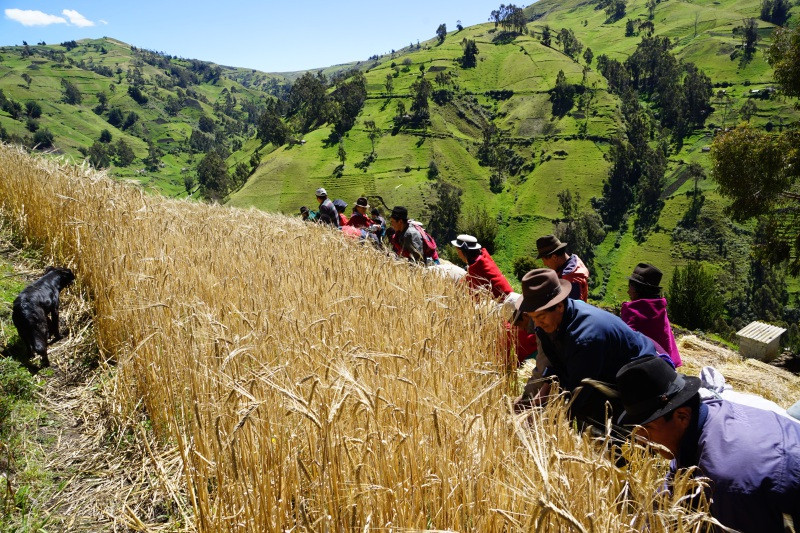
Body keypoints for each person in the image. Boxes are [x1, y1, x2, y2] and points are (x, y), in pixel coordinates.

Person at [616, 356, 800, 532]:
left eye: (647, 427)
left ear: (682, 416)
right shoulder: (709, 413)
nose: (639, 437)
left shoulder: (728, 479)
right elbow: (677, 478)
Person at [513, 269, 659, 428]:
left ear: (559, 306)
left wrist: (543, 426)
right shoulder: (547, 325)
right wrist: (536, 403)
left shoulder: (585, 338)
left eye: (540, 317)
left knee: (601, 427)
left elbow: (577, 396)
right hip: (599, 371)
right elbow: (556, 365)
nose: (537, 324)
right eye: (533, 318)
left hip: (638, 379)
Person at [621, 263, 682, 367]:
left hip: (644, 366)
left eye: (630, 287)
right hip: (667, 363)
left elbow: (624, 343)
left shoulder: (633, 311)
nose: (628, 291)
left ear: (637, 289)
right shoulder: (660, 307)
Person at [451, 234, 512, 301]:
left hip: (503, 302)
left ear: (461, 252)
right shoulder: (483, 258)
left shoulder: (477, 267)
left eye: (457, 251)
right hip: (508, 295)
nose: (458, 255)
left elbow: (471, 293)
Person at [536, 235, 590, 302]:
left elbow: (573, 308)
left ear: (554, 257)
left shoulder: (570, 278)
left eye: (544, 260)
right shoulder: (574, 259)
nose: (545, 264)